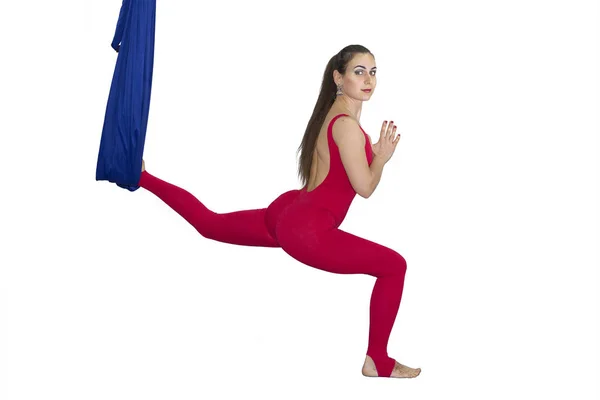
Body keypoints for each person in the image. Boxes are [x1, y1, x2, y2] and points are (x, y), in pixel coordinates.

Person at [136, 44, 421, 379]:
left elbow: (339, 170)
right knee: (393, 266)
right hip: (308, 231)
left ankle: (141, 177)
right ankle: (377, 361)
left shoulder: (332, 113)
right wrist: (383, 159)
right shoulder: (346, 126)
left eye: (373, 72)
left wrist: (371, 152)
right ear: (338, 77)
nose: (368, 79)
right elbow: (365, 188)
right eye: (359, 71)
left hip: (288, 211)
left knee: (210, 224)